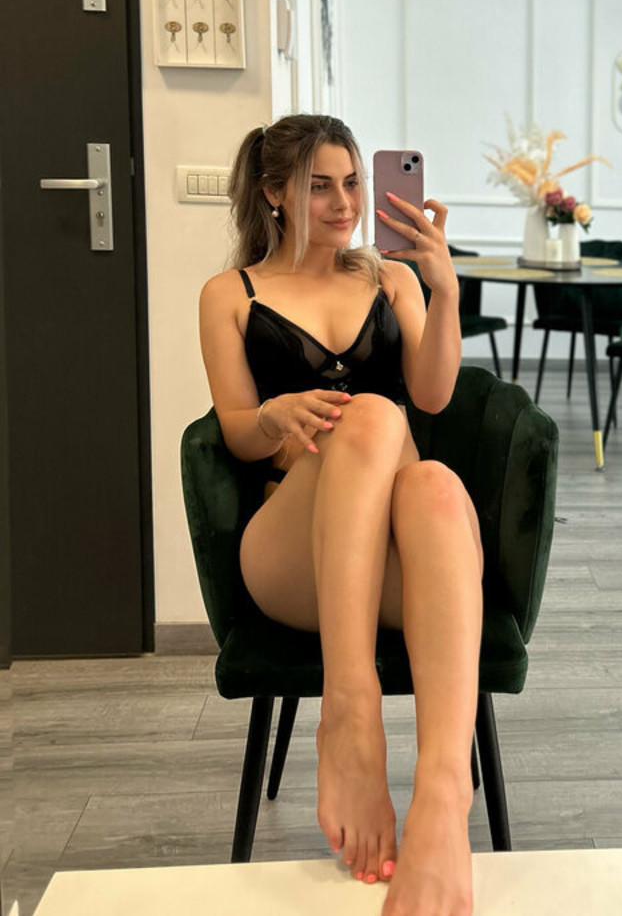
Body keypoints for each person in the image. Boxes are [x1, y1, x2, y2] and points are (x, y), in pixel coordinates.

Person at [198, 113, 479, 916]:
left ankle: (442, 799)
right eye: (319, 185)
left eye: (353, 182)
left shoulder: (390, 280)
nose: (345, 202)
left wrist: (444, 290)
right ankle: (349, 709)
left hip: (395, 552)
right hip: (293, 551)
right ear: (273, 193)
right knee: (375, 415)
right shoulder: (230, 294)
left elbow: (434, 395)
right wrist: (273, 416)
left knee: (435, 487)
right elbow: (235, 432)